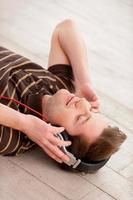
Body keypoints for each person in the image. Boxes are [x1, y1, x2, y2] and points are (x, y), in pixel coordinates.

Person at [0, 19, 127, 165]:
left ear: (60, 136)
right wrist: (83, 82)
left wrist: (24, 123)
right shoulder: (60, 87)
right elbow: (65, 28)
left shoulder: (10, 137)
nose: (83, 103)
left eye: (80, 118)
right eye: (91, 110)